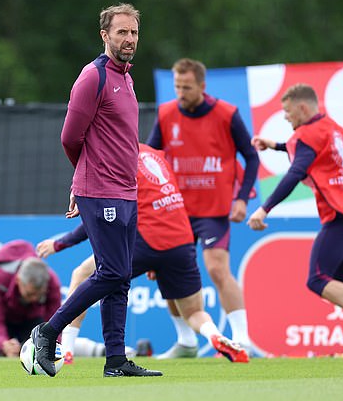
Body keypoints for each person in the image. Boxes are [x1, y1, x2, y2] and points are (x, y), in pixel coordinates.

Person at [30, 3, 161, 378]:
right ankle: (48, 331)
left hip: (126, 191)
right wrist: (83, 177)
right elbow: (70, 137)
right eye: (122, 32)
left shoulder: (127, 78)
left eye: (134, 32)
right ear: (105, 35)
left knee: (121, 275)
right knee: (112, 272)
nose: (129, 39)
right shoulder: (93, 77)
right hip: (100, 190)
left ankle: (116, 360)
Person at [37, 143, 249, 364]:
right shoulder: (156, 155)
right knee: (194, 311)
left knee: (82, 274)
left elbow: (105, 215)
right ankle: (214, 335)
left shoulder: (115, 157)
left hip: (145, 240)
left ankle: (67, 350)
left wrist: (60, 244)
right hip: (181, 240)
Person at [247, 83, 343, 360]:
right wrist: (276, 146)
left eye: (288, 111)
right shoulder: (338, 129)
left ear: (303, 108)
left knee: (318, 279)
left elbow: (295, 172)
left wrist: (264, 209)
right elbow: (318, 152)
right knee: (335, 282)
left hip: (340, 217)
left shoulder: (305, 135)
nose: (286, 117)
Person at [147, 58, 259, 356]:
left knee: (217, 269)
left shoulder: (226, 114)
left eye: (187, 87)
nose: (181, 93)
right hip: (175, 210)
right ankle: (186, 342)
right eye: (177, 87)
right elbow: (149, 158)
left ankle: (242, 339)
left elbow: (251, 157)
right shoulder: (166, 114)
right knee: (166, 271)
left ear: (202, 86)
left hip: (213, 209)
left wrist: (242, 198)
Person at [0, 240, 62, 357]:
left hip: (32, 318)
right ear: (19, 281)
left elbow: (54, 320)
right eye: (30, 294)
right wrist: (4, 343)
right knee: (1, 354)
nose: (34, 299)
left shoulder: (52, 281)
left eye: (39, 295)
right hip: (3, 319)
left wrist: (55, 344)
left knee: (37, 353)